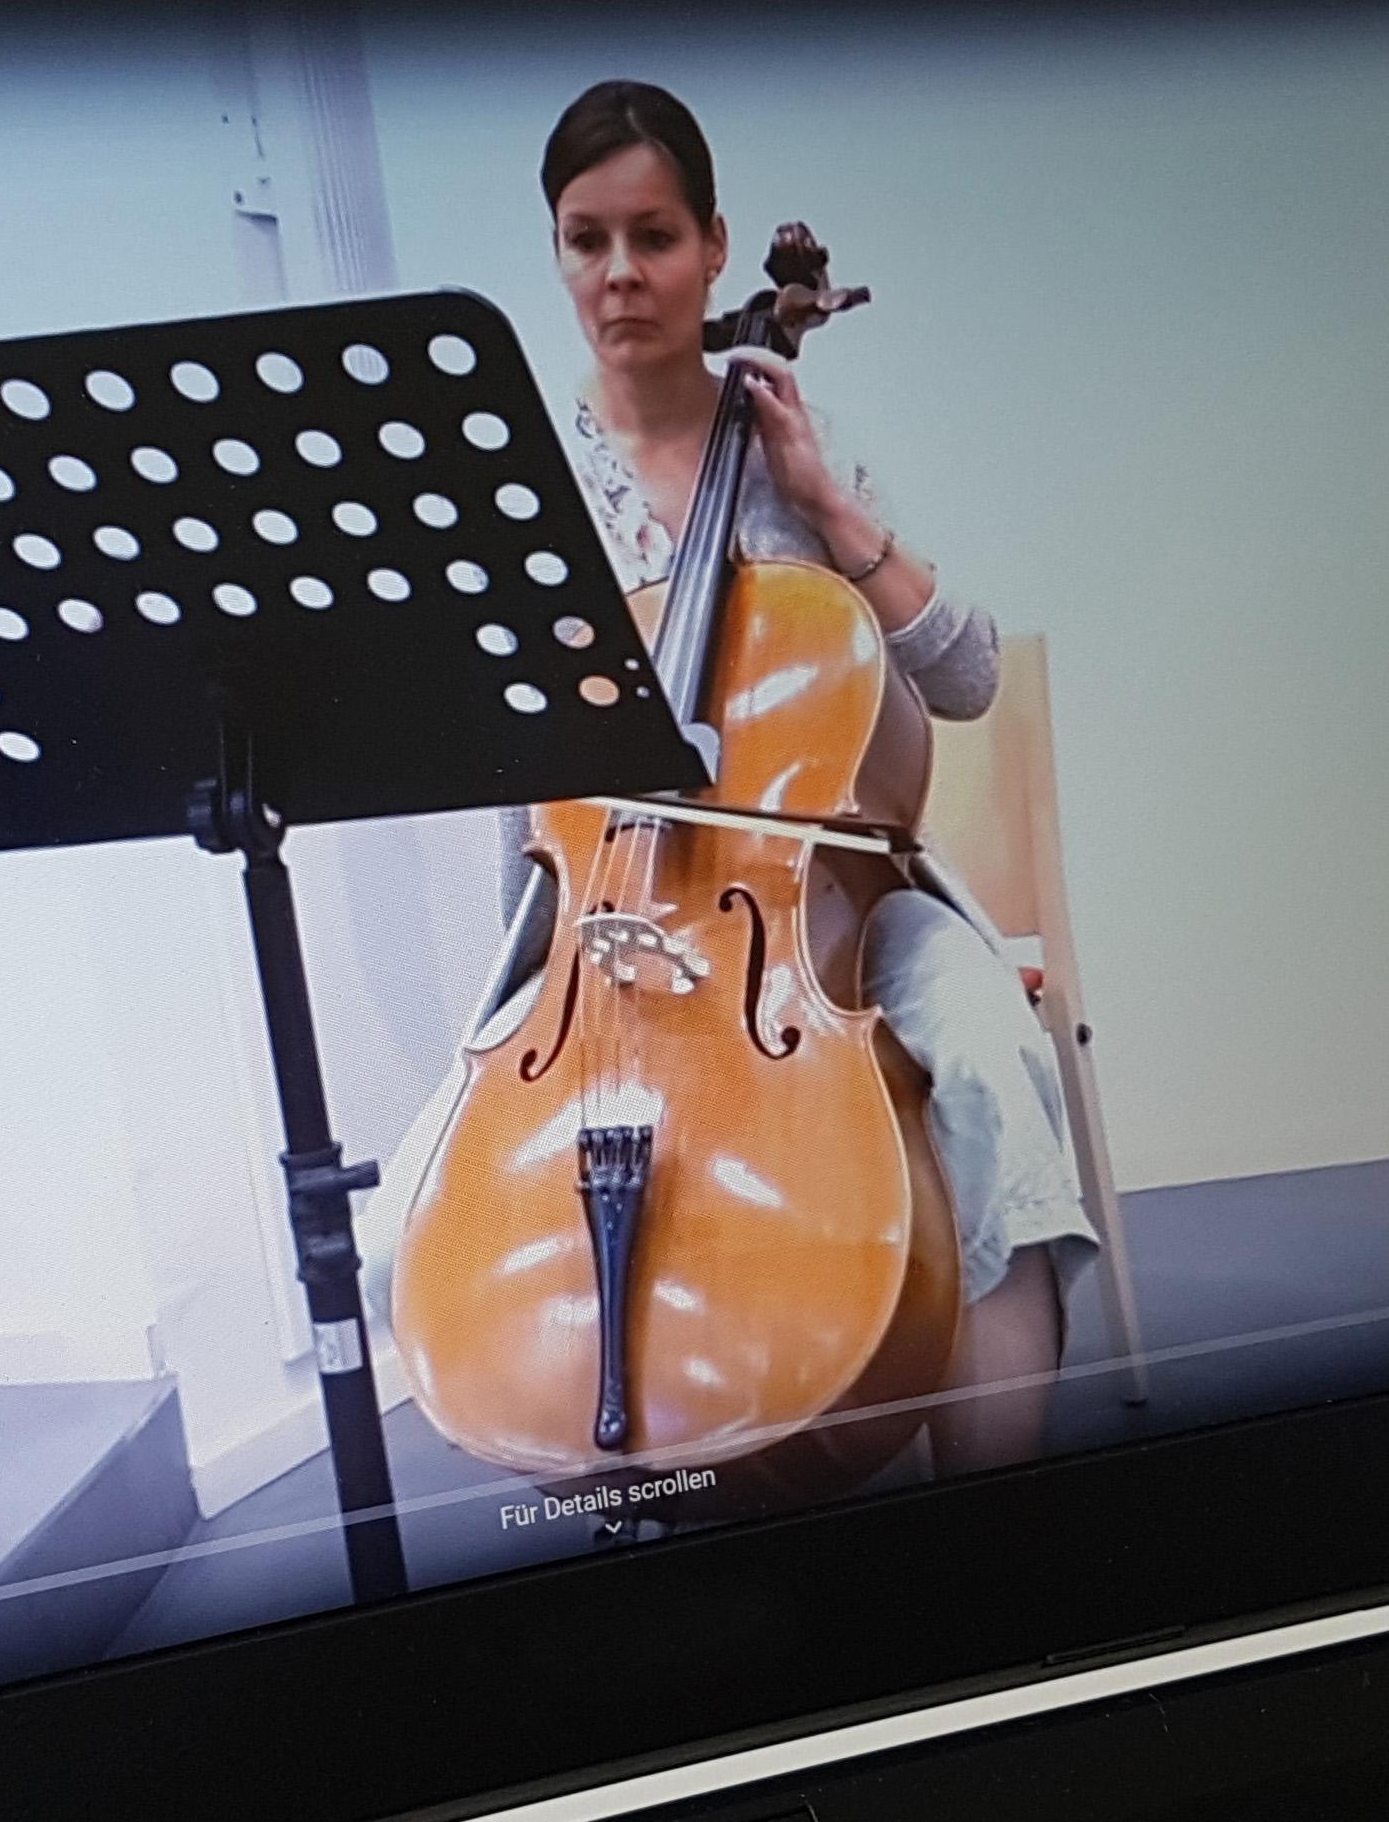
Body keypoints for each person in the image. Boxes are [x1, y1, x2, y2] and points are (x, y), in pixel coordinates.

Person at [364, 80, 1096, 1480]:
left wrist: (826, 507)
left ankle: (997, 1529)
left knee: (991, 1070)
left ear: (711, 246)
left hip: (826, 914)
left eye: (652, 236)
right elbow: (497, 769)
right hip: (595, 930)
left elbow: (964, 680)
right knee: (407, 1228)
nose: (619, 274)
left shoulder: (803, 448)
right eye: (585, 241)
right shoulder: (526, 484)